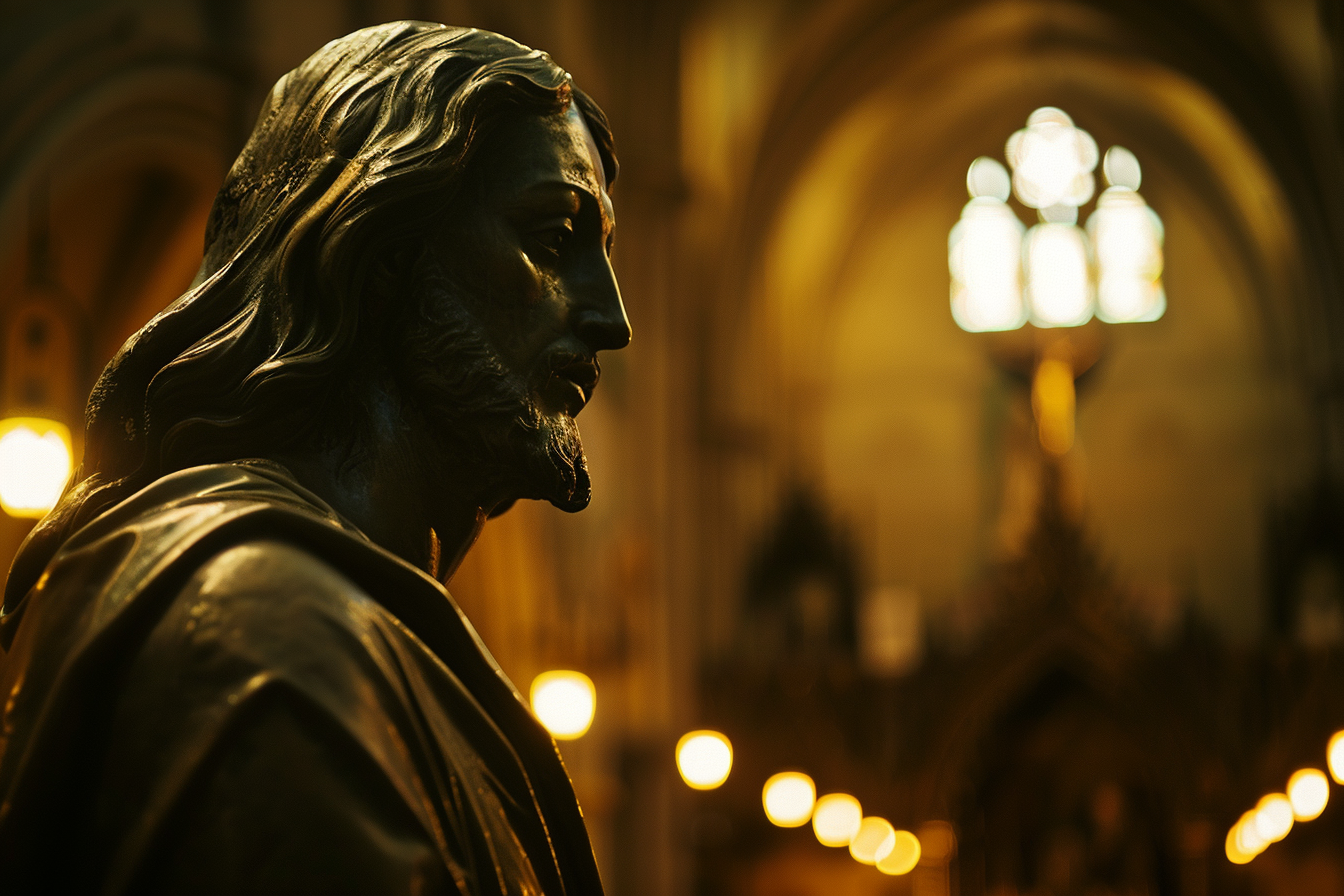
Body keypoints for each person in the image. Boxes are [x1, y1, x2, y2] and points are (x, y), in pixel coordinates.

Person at [0, 21, 629, 895]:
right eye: (552, 237)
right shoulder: (270, 638)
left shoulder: (364, 633)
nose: (613, 318)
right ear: (378, 251)